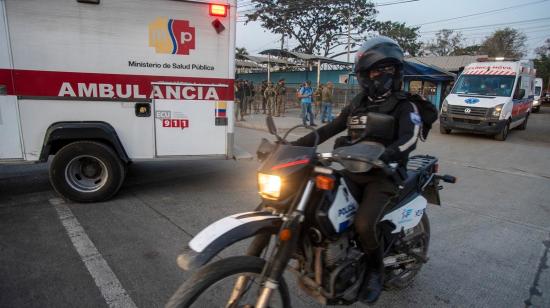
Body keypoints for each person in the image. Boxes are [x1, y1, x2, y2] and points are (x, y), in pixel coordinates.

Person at [291, 37, 421, 304]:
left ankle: (375, 270)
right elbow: (331, 127)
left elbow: (410, 138)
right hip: (353, 169)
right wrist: (294, 146)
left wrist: (389, 154)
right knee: (320, 206)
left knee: (363, 223)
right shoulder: (359, 102)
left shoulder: (405, 104)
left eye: (382, 71)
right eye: (372, 71)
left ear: (394, 72)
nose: (376, 76)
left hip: (383, 175)